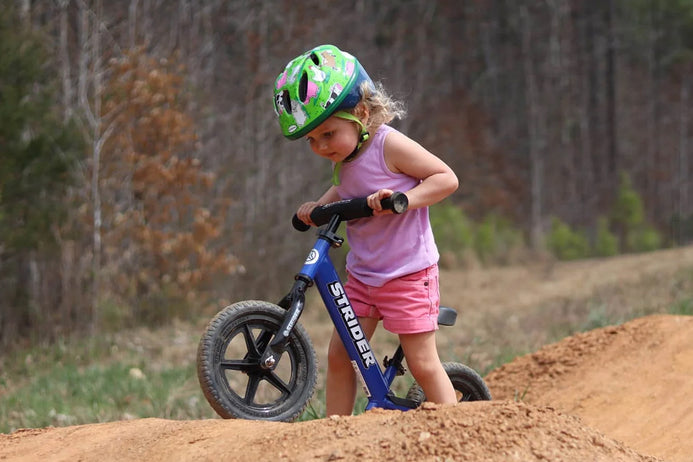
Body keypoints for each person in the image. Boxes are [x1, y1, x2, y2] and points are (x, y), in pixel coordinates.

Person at [273, 44, 459, 416]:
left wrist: (402, 198)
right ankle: (335, 430)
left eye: (328, 134)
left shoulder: (388, 144)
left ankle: (457, 429)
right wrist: (317, 208)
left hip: (408, 274)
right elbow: (345, 189)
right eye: (312, 140)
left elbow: (446, 178)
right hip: (363, 276)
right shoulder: (346, 158)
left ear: (360, 113)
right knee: (341, 354)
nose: (321, 147)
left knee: (422, 362)